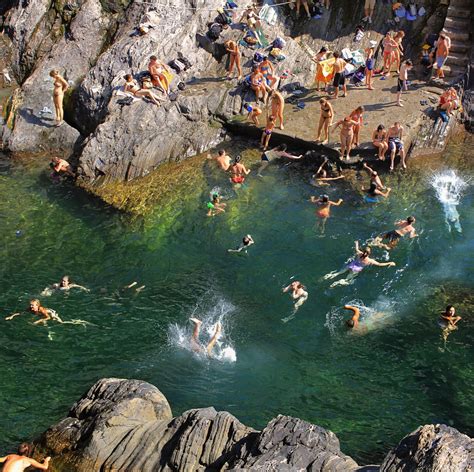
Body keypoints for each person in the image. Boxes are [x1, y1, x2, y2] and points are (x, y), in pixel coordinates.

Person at [324, 241, 395, 287]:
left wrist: (356, 243)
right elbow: (379, 264)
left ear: (363, 251)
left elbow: (356, 249)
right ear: (369, 253)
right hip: (356, 269)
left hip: (351, 265)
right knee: (347, 280)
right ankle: (337, 283)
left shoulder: (359, 254)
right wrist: (389, 262)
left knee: (339, 272)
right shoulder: (370, 260)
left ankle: (330, 276)